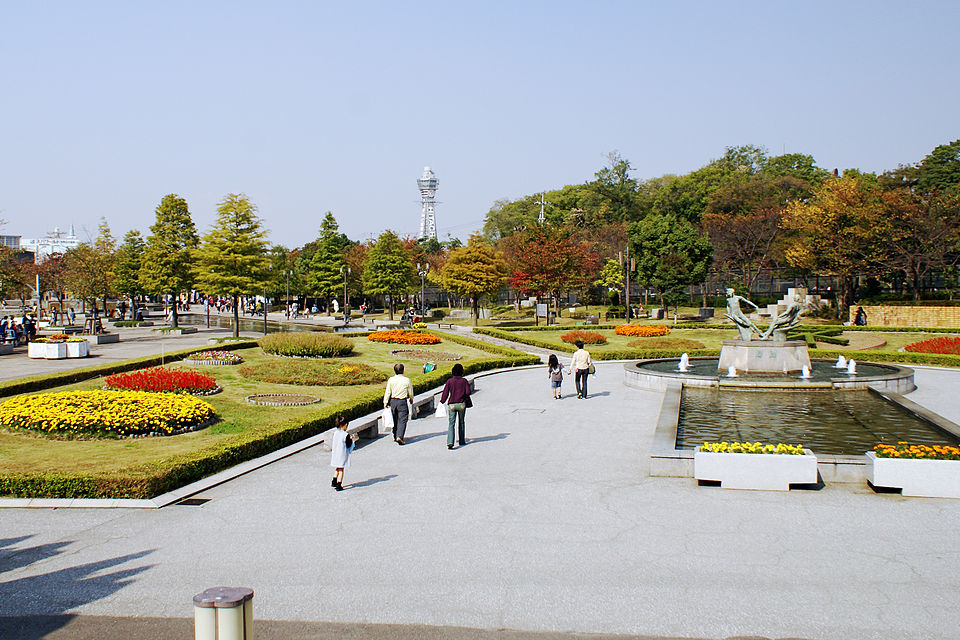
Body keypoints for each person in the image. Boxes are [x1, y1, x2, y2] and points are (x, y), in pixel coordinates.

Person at [440, 363, 471, 449]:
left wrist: (442, 401)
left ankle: (450, 442)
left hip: (452, 405)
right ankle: (461, 440)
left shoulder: (449, 381)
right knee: (461, 422)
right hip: (461, 404)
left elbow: (445, 393)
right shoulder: (464, 381)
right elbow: (468, 392)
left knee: (451, 423)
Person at [383, 363, 414, 445]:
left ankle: (395, 435)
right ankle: (399, 436)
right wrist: (411, 399)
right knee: (402, 419)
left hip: (393, 401)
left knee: (394, 418)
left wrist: (385, 402)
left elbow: (388, 392)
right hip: (402, 401)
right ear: (403, 371)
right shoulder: (406, 380)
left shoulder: (391, 380)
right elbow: (410, 392)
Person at [329, 415, 353, 491]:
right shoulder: (345, 435)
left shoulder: (336, 432)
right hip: (342, 454)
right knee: (341, 469)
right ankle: (339, 484)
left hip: (335, 453)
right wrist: (351, 439)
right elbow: (348, 444)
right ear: (345, 425)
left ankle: (334, 480)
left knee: (337, 467)